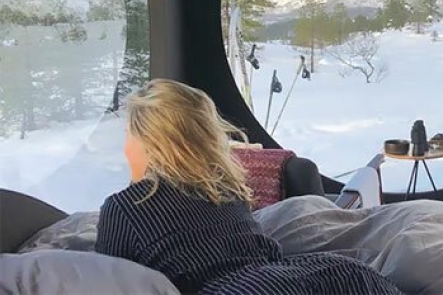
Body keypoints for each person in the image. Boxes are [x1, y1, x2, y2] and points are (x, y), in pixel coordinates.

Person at [95, 78, 402, 295]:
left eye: (129, 135)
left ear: (150, 143)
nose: (125, 147)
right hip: (316, 274)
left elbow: (111, 279)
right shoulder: (225, 188)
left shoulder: (124, 207)